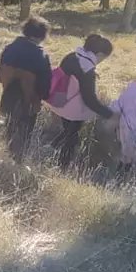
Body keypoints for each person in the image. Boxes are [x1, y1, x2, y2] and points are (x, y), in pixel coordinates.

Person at [48, 33, 115, 170]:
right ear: (100, 54)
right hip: (73, 110)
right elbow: (89, 100)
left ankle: (51, 148)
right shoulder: (87, 70)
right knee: (72, 138)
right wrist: (109, 114)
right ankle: (62, 167)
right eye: (104, 58)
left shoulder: (71, 56)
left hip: (59, 101)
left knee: (67, 130)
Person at [0, 17, 52, 164]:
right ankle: (19, 161)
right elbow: (45, 83)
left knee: (10, 126)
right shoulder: (41, 55)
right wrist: (43, 96)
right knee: (25, 132)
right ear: (42, 36)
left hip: (8, 96)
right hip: (29, 100)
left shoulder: (10, 48)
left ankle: (7, 156)